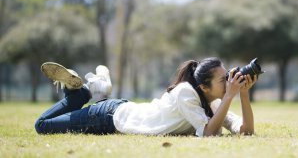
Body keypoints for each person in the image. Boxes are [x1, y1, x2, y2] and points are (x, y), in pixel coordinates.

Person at [35, 57, 257, 137]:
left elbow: (245, 131)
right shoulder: (186, 93)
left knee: (92, 103)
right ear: (204, 87)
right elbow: (208, 133)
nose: (229, 81)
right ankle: (77, 95)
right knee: (42, 125)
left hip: (119, 110)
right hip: (107, 117)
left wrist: (244, 95)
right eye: (223, 79)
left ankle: (94, 90)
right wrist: (230, 96)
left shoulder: (214, 102)